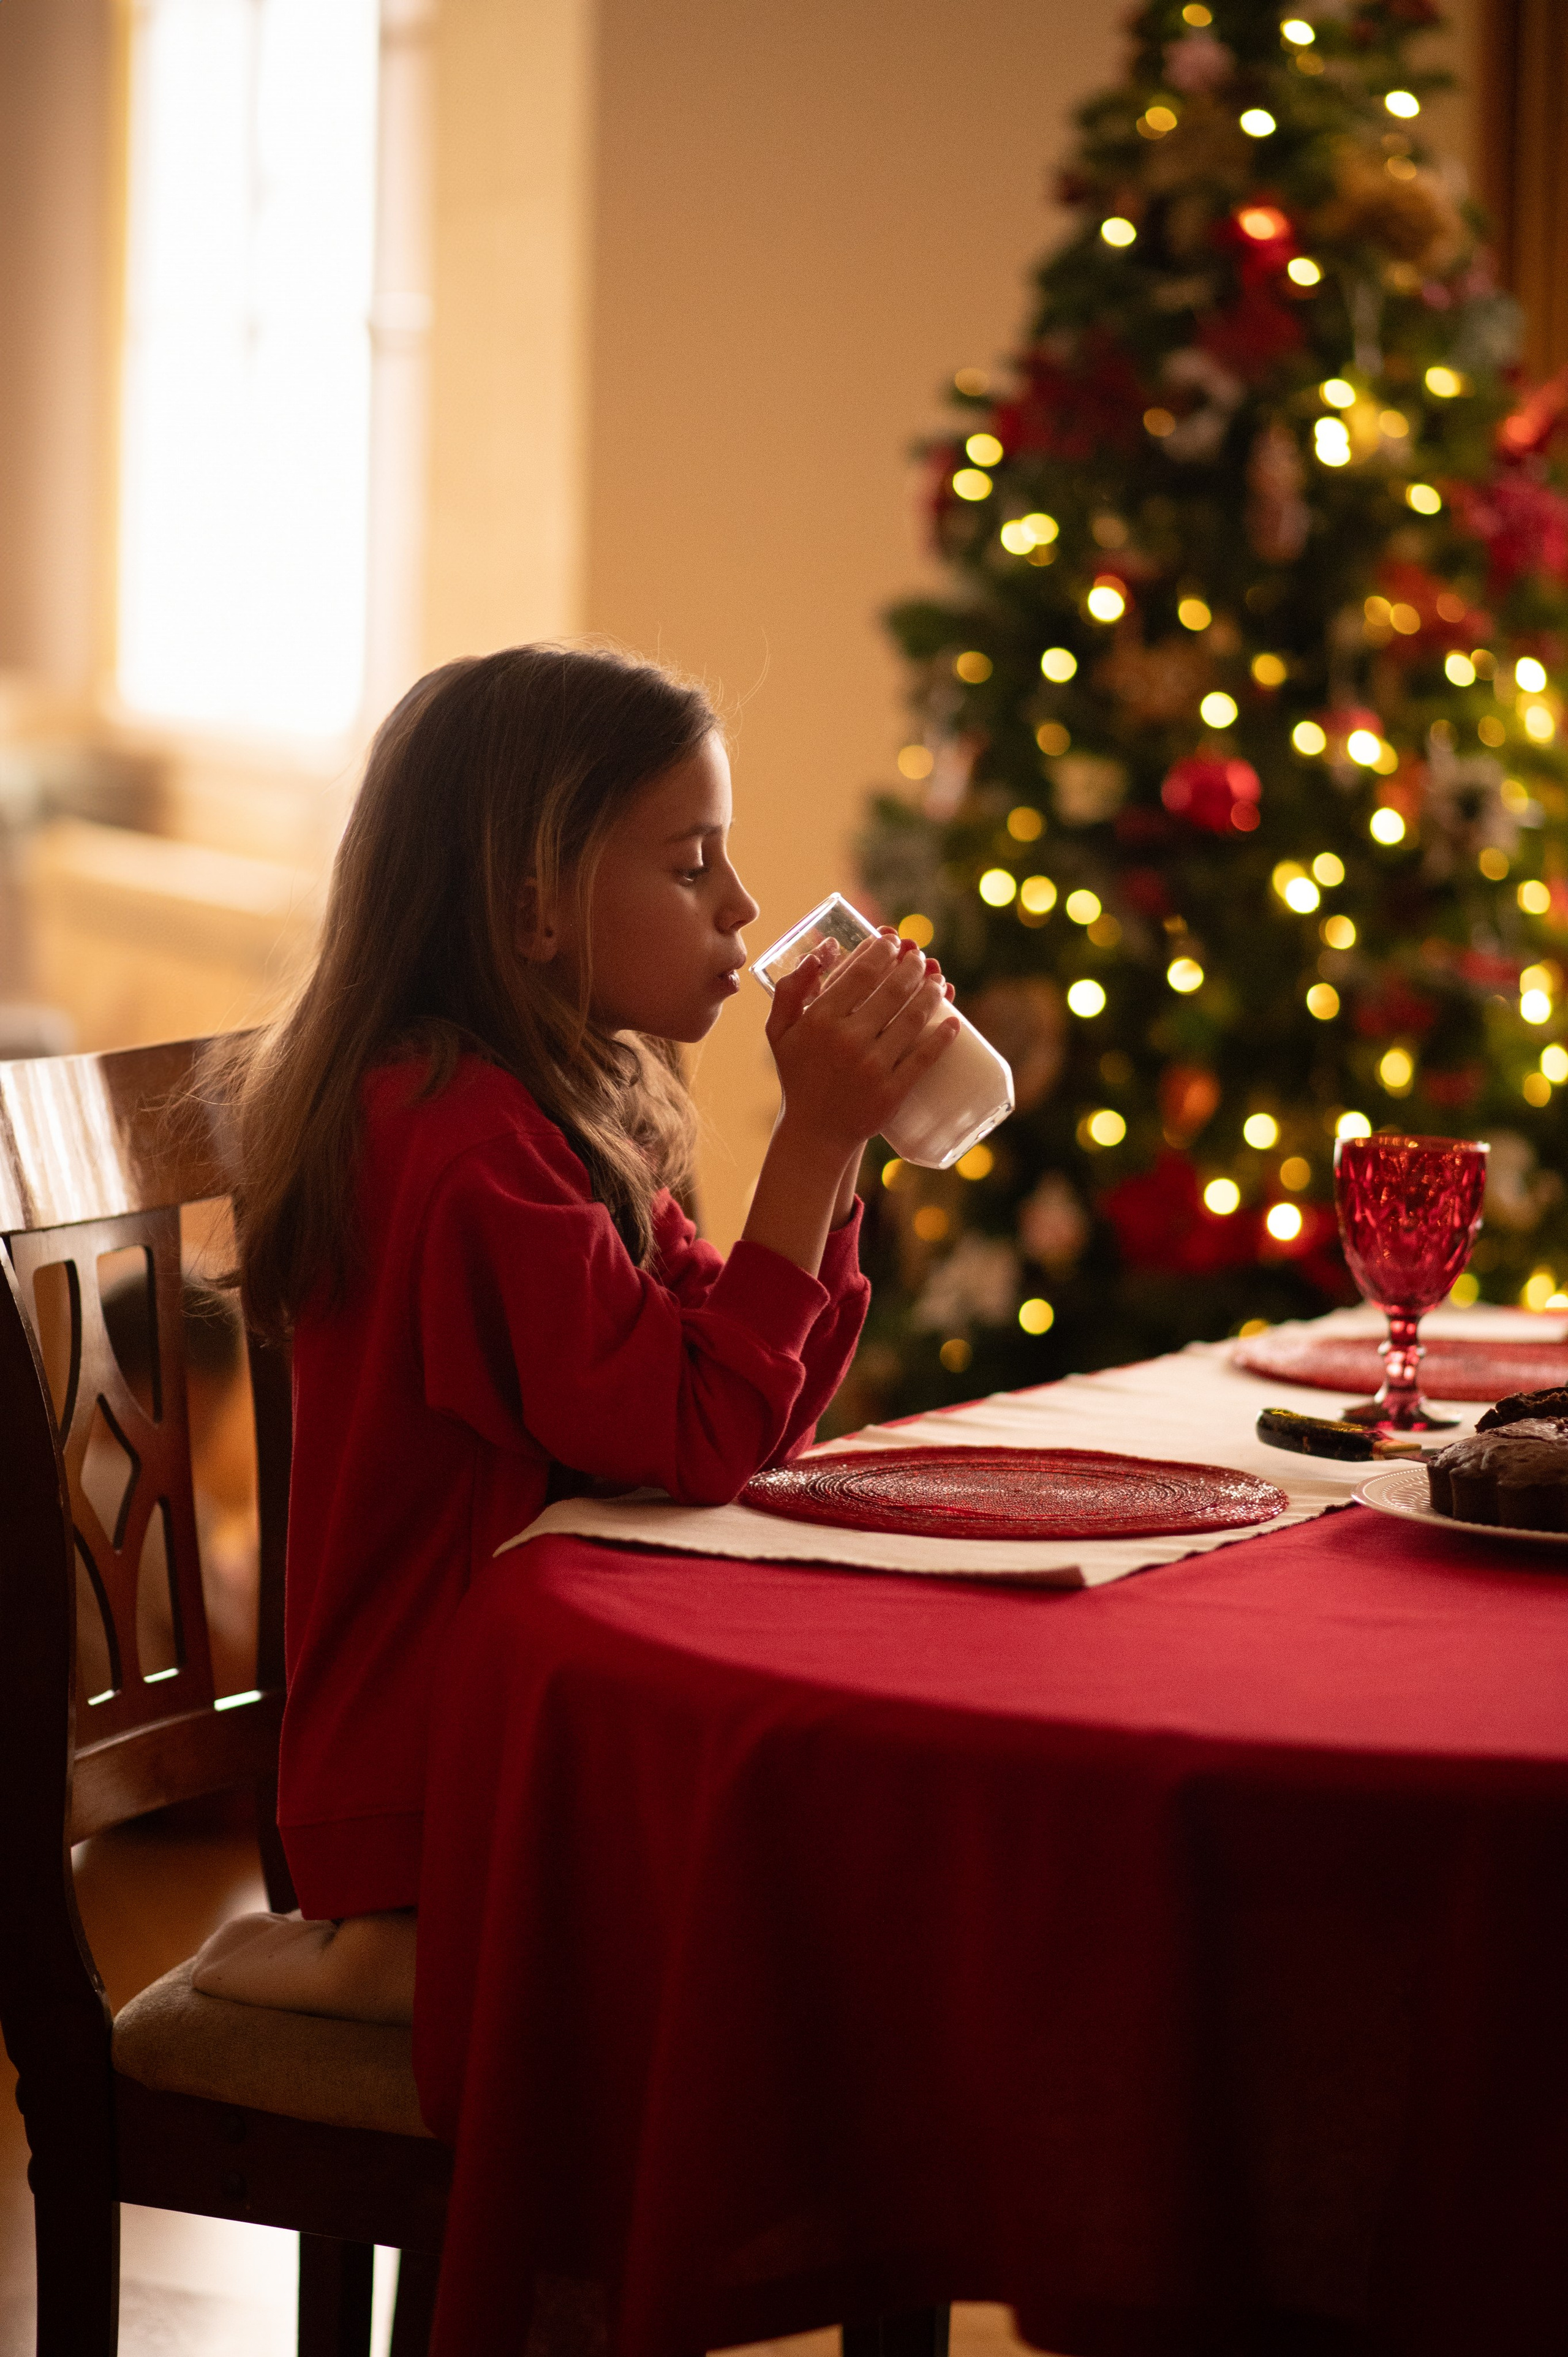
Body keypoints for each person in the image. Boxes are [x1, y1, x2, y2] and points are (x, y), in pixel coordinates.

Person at [192, 643, 957, 2023]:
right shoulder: (458, 1139)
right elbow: (701, 1437)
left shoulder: (555, 1104)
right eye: (690, 864)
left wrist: (839, 1152)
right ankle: (381, 1954)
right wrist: (810, 1144)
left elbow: (744, 1407)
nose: (742, 904)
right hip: (444, 1783)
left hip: (525, 1728)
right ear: (531, 905)